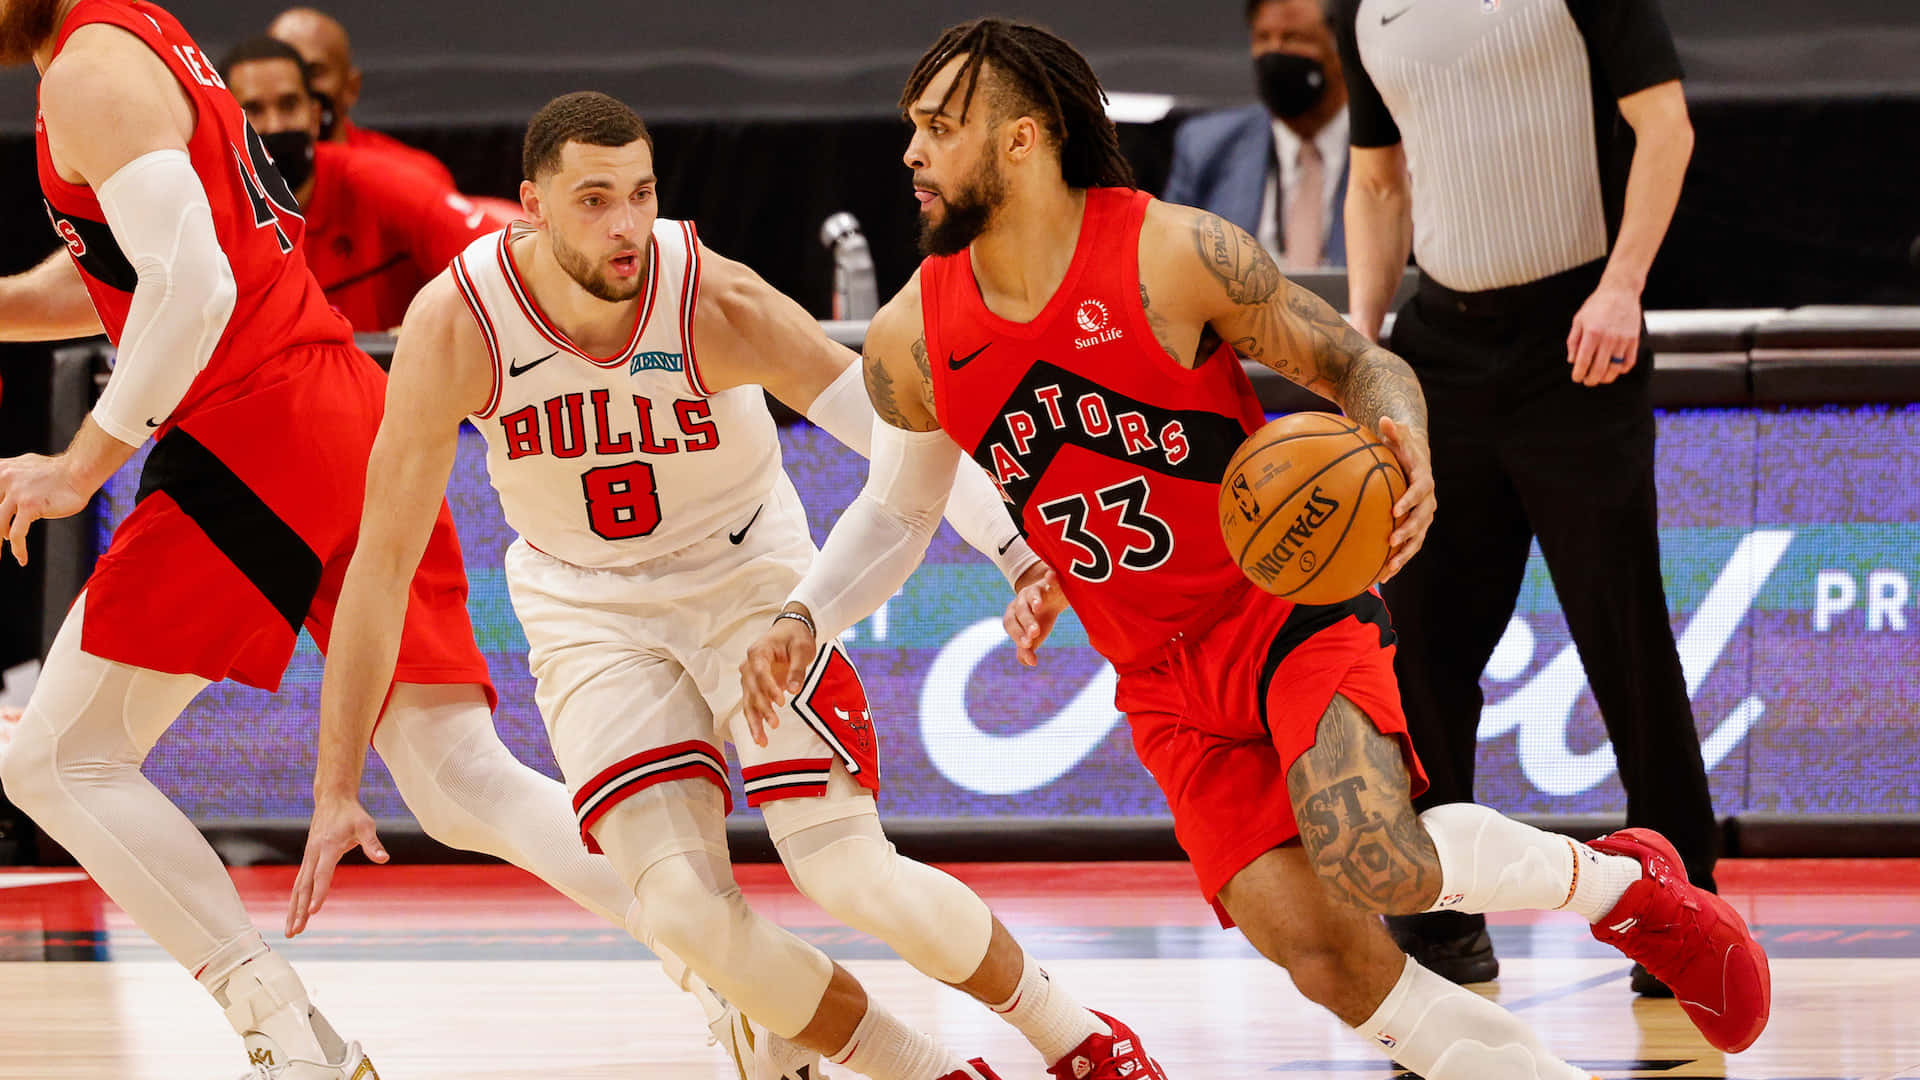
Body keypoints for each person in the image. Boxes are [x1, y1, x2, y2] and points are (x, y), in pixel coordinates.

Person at [741, 17, 1772, 1078]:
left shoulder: (1170, 254)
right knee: (1326, 959)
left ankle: (1627, 888)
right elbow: (901, 508)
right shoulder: (917, 335)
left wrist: (1403, 435)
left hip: (1281, 616)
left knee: (1379, 854)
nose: (912, 152)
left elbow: (1356, 364)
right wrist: (804, 613)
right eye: (912, 127)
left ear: (1022, 140)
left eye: (940, 127)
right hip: (1160, 680)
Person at [288, 89, 1167, 1080]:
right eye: (592, 200)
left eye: (640, 193)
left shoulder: (707, 297)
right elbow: (381, 569)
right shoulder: (459, 322)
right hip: (588, 609)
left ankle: (1076, 1034)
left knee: (848, 873)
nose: (625, 224)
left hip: (749, 579)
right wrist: (333, 786)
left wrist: (1016, 552)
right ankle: (925, 1070)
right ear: (528, 204)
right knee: (682, 915)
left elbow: (890, 436)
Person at [0, 3, 808, 1078]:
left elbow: (195, 288)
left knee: (59, 761)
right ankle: (737, 978)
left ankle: (292, 1042)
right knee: (458, 776)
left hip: (260, 428)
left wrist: (81, 462)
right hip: (348, 410)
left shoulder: (86, 75)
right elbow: (136, 271)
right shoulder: (142, 34)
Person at [1335, 0, 1717, 993]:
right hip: (1438, 356)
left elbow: (1666, 126)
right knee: (1420, 644)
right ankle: (1436, 916)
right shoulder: (1359, 8)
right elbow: (1377, 181)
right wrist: (1363, 344)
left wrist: (1625, 285)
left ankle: (1680, 915)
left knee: (1622, 637)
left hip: (1576, 342)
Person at [219, 36, 491, 333]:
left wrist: (434, 331)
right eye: (254, 111)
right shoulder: (204, 209)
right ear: (225, 123)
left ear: (313, 115)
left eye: (289, 105)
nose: (274, 126)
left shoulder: (380, 180)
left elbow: (503, 256)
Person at [1162, 0, 1350, 269]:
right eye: (1263, 38)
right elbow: (1168, 263)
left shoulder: (1398, 150)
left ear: (1342, 48)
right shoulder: (1206, 146)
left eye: (1293, 37)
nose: (1275, 51)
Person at [266, 4, 456, 188]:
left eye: (313, 72)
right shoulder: (241, 181)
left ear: (351, 87)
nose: (295, 88)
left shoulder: (412, 177)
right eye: (280, 75)